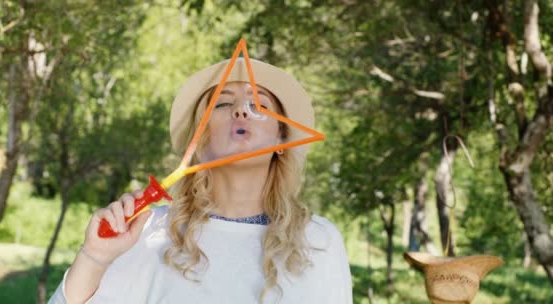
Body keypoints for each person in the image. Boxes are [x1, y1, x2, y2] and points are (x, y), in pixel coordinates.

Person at [48, 58, 352, 304]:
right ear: (199, 142)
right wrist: (94, 258)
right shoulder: (147, 232)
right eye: (222, 104)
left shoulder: (319, 241)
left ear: (282, 137)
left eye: (259, 104)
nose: (240, 110)